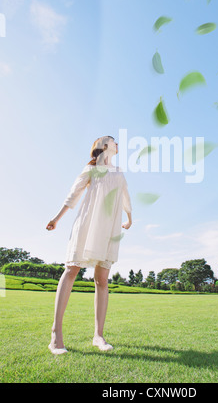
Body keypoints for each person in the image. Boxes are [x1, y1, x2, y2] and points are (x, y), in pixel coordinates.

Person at [46, 136, 132, 354]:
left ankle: (98, 336)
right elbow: (73, 194)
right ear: (103, 146)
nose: (117, 143)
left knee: (102, 279)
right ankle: (56, 334)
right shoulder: (91, 169)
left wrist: (129, 218)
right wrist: (57, 218)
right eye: (113, 141)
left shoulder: (119, 173)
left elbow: (125, 198)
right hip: (87, 224)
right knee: (72, 269)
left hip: (109, 229)